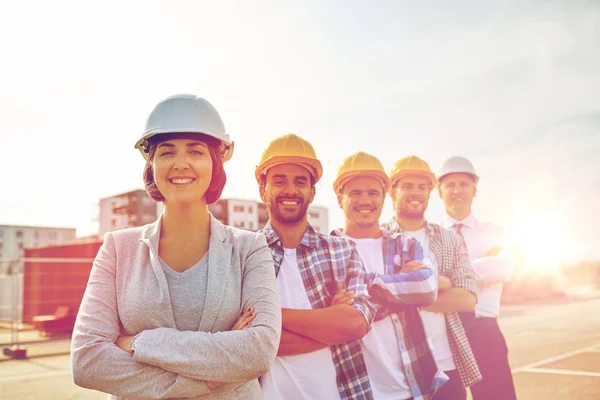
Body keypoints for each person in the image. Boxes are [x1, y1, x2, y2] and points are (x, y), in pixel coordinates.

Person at [71, 94, 281, 400]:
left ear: (215, 163)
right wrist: (206, 377)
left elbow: (259, 351)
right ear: (152, 165)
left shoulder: (250, 248)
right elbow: (88, 361)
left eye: (195, 152)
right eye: (167, 153)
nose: (181, 164)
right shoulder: (118, 248)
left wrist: (138, 343)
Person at [256, 134, 376, 400]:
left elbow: (356, 323)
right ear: (262, 189)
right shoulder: (244, 254)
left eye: (300, 182)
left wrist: (268, 318)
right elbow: (243, 342)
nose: (290, 190)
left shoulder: (342, 251)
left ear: (312, 191)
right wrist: (330, 322)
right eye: (279, 181)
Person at [331, 151, 448, 400]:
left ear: (384, 198)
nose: (365, 200)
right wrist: (400, 294)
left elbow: (427, 287)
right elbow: (333, 319)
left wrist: (362, 289)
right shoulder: (327, 250)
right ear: (339, 199)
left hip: (412, 388)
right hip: (354, 390)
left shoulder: (405, 245)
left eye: (373, 193)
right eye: (355, 193)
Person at [381, 156, 482, 400]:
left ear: (430, 192)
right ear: (392, 193)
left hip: (446, 368)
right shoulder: (378, 238)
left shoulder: (449, 238)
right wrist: (440, 283)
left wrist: (402, 291)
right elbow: (375, 295)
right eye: (407, 186)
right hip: (394, 372)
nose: (415, 193)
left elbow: (467, 298)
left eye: (422, 187)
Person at [438, 156, 516, 400]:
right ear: (439, 191)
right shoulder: (431, 235)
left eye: (463, 184)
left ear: (474, 189)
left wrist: (451, 275)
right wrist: (481, 267)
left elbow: (503, 268)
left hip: (485, 332)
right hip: (445, 331)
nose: (457, 190)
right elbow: (427, 278)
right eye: (450, 185)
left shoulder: (493, 232)